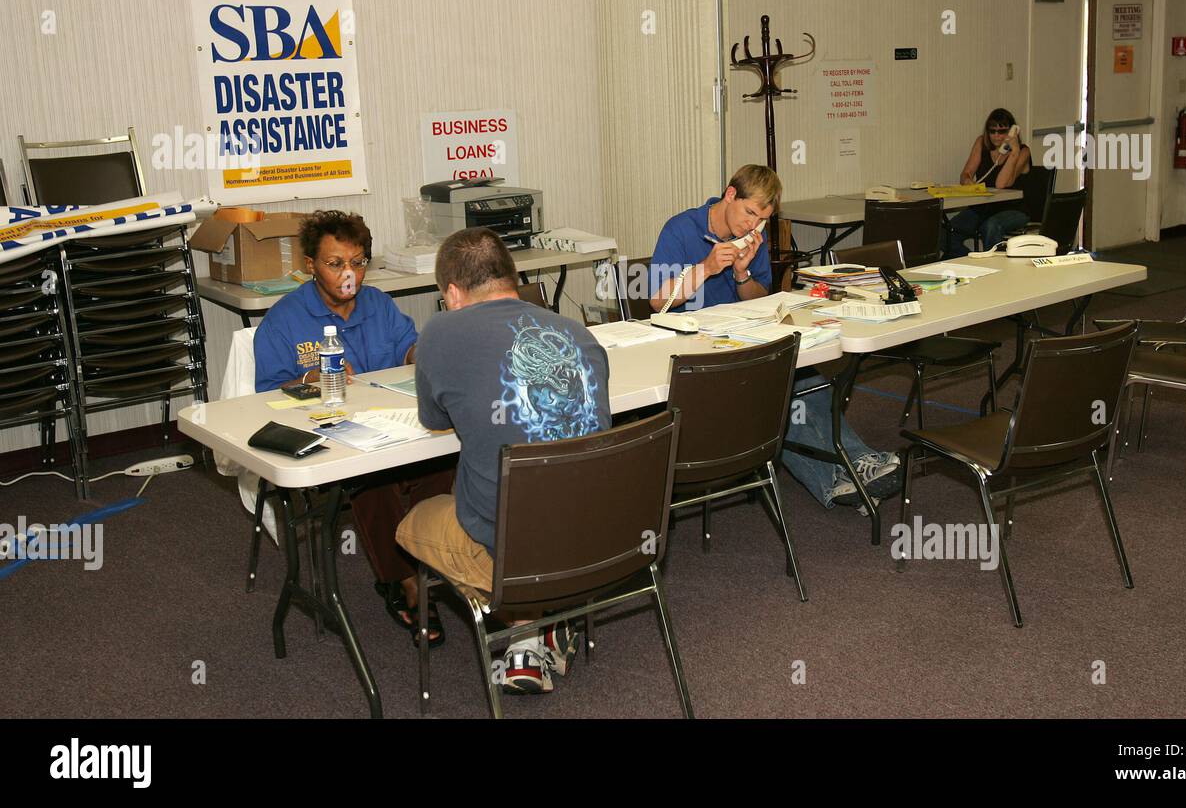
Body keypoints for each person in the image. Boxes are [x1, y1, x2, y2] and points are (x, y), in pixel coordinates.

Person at [396, 227, 611, 696]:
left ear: (452, 293)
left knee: (411, 523)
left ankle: (525, 626)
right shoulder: (580, 333)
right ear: (512, 278)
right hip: (598, 540)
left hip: (513, 554)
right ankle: (548, 616)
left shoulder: (440, 332)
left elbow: (435, 422)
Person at [253, 210, 455, 646]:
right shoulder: (284, 320)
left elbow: (408, 348)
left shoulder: (378, 304)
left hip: (396, 427)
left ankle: (431, 558)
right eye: (335, 263)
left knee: (447, 459)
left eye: (359, 262)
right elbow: (262, 398)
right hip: (334, 440)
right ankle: (402, 580)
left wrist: (428, 355)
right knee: (372, 480)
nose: (350, 274)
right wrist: (308, 379)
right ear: (310, 265)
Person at [649, 164, 900, 511]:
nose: (752, 225)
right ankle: (849, 473)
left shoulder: (753, 235)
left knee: (804, 376)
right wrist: (706, 268)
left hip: (741, 338)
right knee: (774, 392)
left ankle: (854, 469)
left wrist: (742, 274)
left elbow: (760, 297)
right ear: (730, 194)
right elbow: (657, 300)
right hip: (692, 352)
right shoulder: (681, 228)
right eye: (749, 213)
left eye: (761, 219)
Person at [944, 108, 1033, 258]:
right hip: (984, 207)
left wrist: (1014, 152)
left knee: (991, 226)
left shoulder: (1023, 152)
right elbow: (965, 174)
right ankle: (975, 262)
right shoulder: (981, 143)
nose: (997, 136)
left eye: (1002, 131)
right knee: (945, 232)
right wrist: (967, 181)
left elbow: (1001, 184)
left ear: (1012, 132)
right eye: (992, 131)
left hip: (1015, 209)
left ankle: (996, 271)